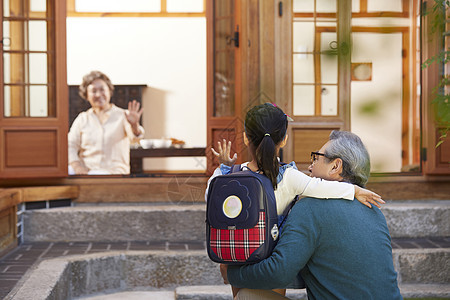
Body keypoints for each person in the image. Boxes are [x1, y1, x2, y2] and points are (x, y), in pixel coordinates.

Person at [207, 103, 385, 298]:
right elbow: (318, 187)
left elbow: (211, 196)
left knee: (242, 296)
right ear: (284, 140)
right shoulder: (289, 177)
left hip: (234, 249)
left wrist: (224, 170)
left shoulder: (228, 176)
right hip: (268, 250)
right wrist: (354, 190)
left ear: (245, 137)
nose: (310, 166)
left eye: (315, 157)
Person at [68, 71, 144, 175]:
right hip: (86, 172)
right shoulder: (82, 118)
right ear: (87, 95)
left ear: (109, 91)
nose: (99, 94)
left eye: (102, 89)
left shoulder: (123, 115)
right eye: (93, 91)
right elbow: (70, 145)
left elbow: (136, 138)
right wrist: (77, 166)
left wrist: (134, 125)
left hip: (114, 173)